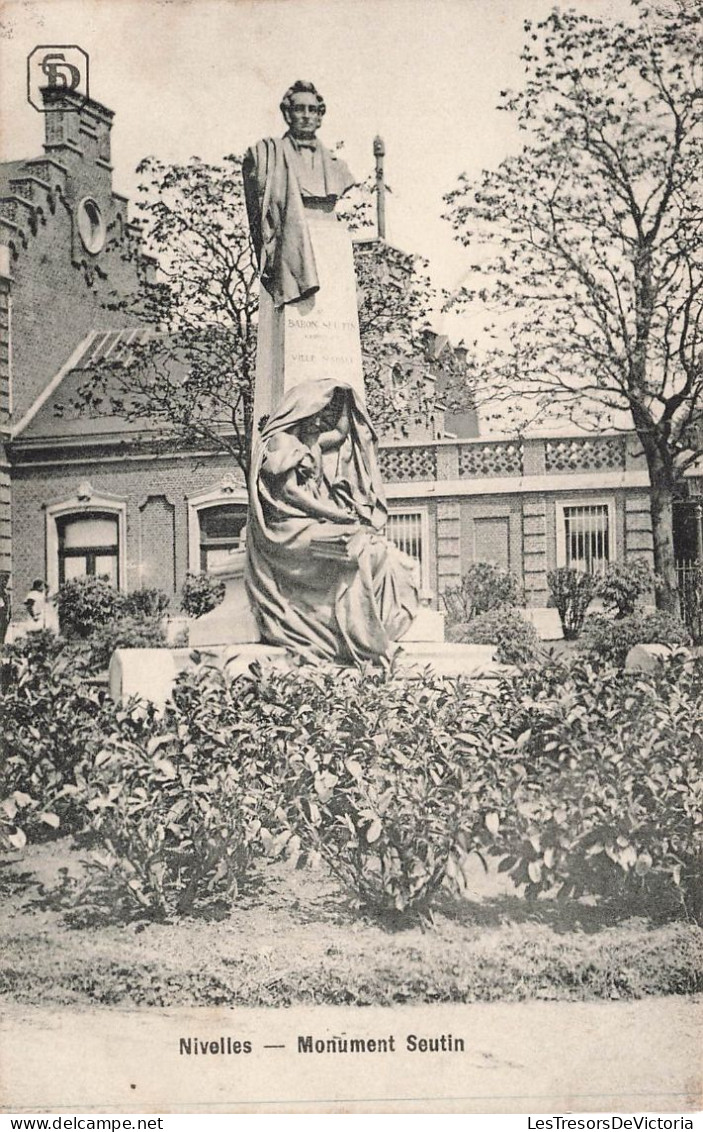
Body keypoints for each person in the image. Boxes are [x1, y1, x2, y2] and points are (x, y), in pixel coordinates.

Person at [246, 381, 419, 664]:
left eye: (323, 413)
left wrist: (345, 396)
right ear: (298, 411)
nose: (319, 420)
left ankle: (370, 625)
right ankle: (359, 636)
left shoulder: (310, 441)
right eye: (316, 412)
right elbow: (291, 492)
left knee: (372, 548)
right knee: (353, 549)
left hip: (312, 521)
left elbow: (340, 433)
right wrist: (335, 515)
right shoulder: (281, 442)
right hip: (287, 528)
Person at [242, 80, 356, 309]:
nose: (306, 116)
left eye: (312, 110)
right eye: (299, 109)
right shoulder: (268, 157)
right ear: (287, 114)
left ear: (320, 116)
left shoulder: (338, 169)